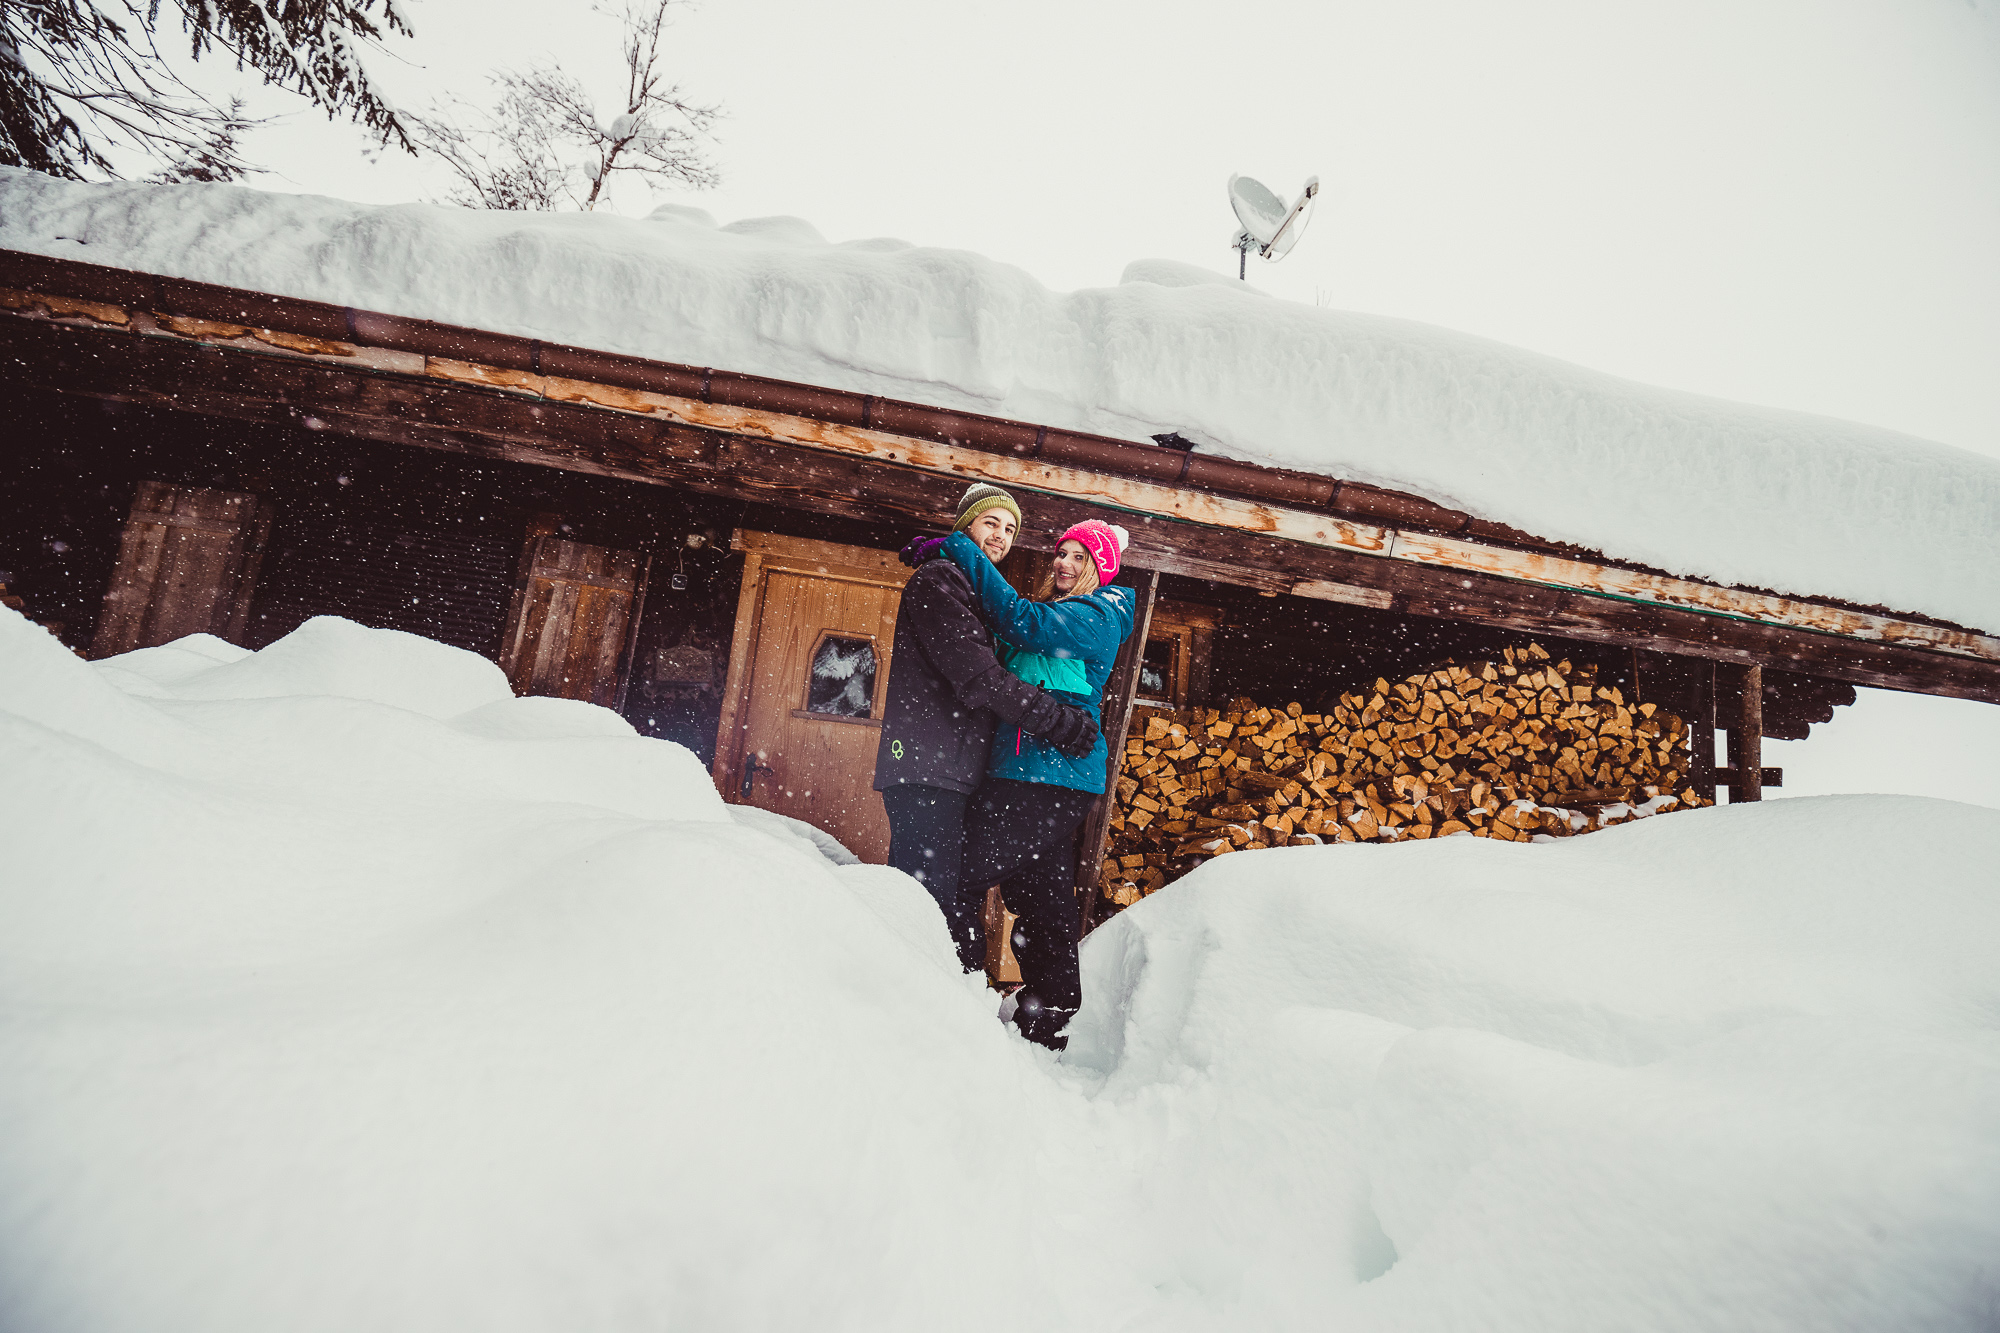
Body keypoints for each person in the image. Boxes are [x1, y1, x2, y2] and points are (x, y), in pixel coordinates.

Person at [873, 484, 1100, 970]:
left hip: (953, 766)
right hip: (927, 764)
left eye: (1010, 528)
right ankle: (916, 996)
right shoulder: (939, 581)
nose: (1000, 535)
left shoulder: (969, 586)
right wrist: (1057, 721)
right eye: (990, 522)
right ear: (965, 526)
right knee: (928, 898)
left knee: (951, 895)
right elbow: (980, 677)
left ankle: (956, 999)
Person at [933, 517, 1137, 1050]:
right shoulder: (1063, 613)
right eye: (1061, 553)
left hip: (1048, 774)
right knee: (1041, 894)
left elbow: (1021, 621)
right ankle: (1053, 1008)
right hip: (1035, 773)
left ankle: (954, 987)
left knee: (959, 872)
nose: (1063, 564)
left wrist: (961, 547)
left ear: (1101, 568)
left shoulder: (1097, 614)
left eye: (1078, 557)